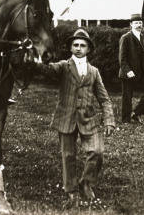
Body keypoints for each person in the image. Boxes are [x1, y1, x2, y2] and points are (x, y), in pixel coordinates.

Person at [36, 28, 115, 204]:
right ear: (71, 48)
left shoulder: (94, 71)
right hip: (66, 117)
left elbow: (104, 99)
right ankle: (70, 189)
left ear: (88, 49)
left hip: (88, 118)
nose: (79, 48)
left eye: (82, 45)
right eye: (75, 45)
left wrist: (109, 120)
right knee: (68, 155)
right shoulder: (64, 66)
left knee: (97, 151)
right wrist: (36, 61)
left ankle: (86, 183)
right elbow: (47, 69)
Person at [119, 13, 144, 124]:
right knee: (127, 96)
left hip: (141, 71)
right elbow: (122, 57)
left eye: (140, 22)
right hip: (128, 72)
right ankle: (126, 120)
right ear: (131, 24)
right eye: (136, 23)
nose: (139, 25)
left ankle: (136, 113)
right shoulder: (126, 38)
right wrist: (128, 71)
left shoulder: (142, 36)